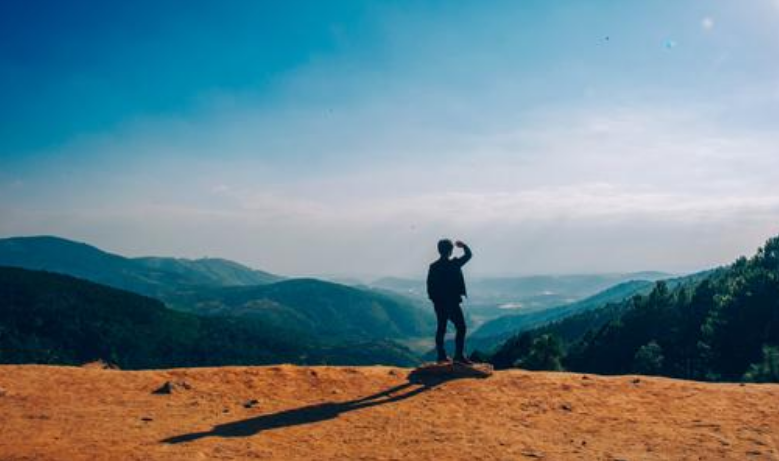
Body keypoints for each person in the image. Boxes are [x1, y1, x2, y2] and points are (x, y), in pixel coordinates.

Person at [426, 239, 472, 364]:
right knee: (461, 327)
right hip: (452, 303)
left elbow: (430, 287)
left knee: (441, 328)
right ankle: (458, 356)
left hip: (439, 303)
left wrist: (435, 300)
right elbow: (469, 255)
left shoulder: (433, 267)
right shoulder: (454, 264)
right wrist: (463, 245)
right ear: (450, 251)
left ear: (439, 250)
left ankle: (441, 356)